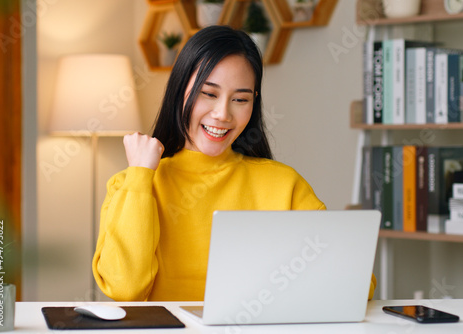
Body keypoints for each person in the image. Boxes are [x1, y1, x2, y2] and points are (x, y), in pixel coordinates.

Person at [92, 25, 374, 302]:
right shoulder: (131, 186)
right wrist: (141, 175)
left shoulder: (284, 184)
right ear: (179, 91)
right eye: (209, 93)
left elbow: (358, 283)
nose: (222, 114)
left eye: (240, 99)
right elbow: (124, 289)